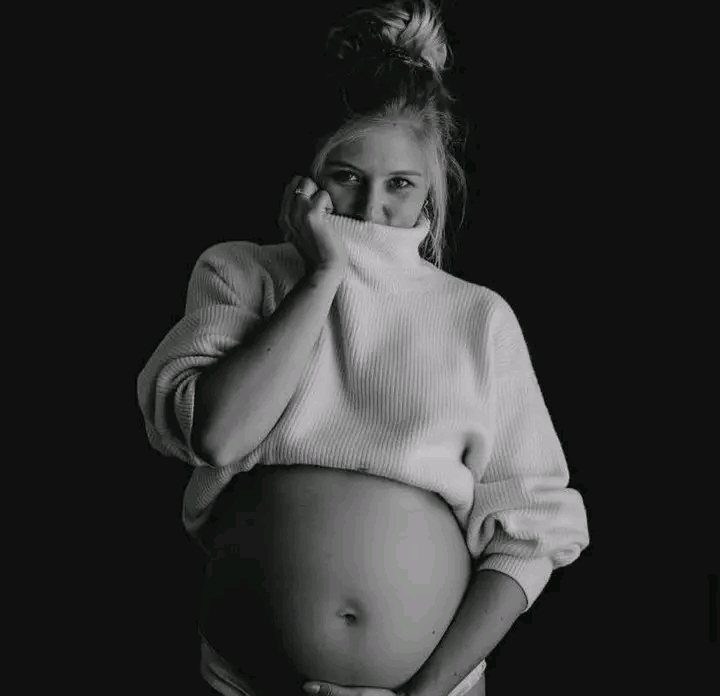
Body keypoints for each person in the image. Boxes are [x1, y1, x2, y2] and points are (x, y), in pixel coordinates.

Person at [136, 2, 590, 695]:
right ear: (308, 177)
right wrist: (322, 275)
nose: (371, 209)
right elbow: (218, 436)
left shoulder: (478, 317)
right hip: (249, 680)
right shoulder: (241, 273)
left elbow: (530, 537)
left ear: (430, 195)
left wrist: (421, 695)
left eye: (400, 185)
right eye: (347, 175)